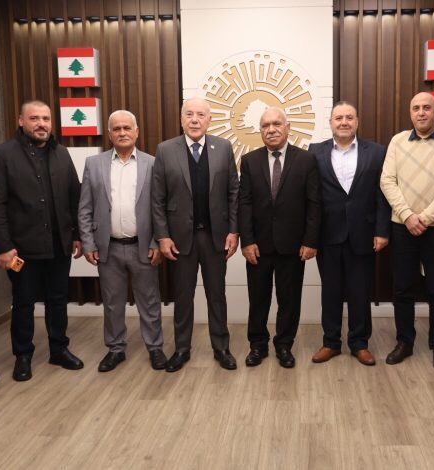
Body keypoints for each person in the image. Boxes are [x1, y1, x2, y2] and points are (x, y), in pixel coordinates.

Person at [0, 99, 84, 381]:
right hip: (21, 249)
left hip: (58, 245)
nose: (41, 124)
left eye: (46, 119)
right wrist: (3, 246)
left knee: (58, 300)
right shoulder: (2, 155)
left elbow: (74, 197)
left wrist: (76, 235)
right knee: (24, 303)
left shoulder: (62, 154)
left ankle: (58, 349)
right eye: (34, 118)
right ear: (21, 121)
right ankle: (23, 355)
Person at [152, 97, 239, 372]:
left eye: (201, 114)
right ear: (181, 119)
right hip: (179, 240)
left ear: (209, 120)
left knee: (217, 295)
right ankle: (181, 349)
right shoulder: (165, 150)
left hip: (215, 237)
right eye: (189, 114)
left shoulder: (223, 147)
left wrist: (233, 231)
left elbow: (233, 193)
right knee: (183, 297)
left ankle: (221, 347)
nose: (194, 119)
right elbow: (157, 198)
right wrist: (162, 236)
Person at [380, 92, 434, 372]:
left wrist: (424, 218)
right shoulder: (397, 141)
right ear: (410, 112)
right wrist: (407, 215)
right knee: (402, 288)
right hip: (402, 227)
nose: (421, 112)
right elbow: (387, 181)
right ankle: (404, 342)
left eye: (427, 107)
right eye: (416, 108)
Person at [78, 110, 165, 372]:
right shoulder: (94, 164)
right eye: (117, 129)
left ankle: (155, 348)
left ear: (136, 132)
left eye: (127, 128)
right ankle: (116, 349)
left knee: (149, 301)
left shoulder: (153, 163)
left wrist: (156, 242)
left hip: (143, 246)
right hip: (109, 247)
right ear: (109, 134)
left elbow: (160, 208)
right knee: (112, 302)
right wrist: (88, 243)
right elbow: (85, 208)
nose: (122, 133)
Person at [308, 102, 389, 366]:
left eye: (349, 117)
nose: (344, 122)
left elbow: (382, 194)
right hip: (328, 234)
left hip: (363, 233)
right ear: (330, 122)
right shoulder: (315, 152)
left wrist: (382, 230)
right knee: (330, 292)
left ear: (357, 121)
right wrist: (310, 236)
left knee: (360, 292)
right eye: (339, 118)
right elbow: (311, 197)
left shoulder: (376, 152)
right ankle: (330, 342)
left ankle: (359, 343)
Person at [239, 107, 320, 369]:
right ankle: (257, 345)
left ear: (288, 127)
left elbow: (314, 203)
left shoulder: (306, 160)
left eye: (276, 124)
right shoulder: (249, 161)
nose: (271, 129)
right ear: (260, 130)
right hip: (258, 246)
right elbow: (244, 203)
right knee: (258, 299)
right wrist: (246, 241)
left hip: (293, 246)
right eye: (265, 125)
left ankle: (284, 345)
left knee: (289, 300)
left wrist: (310, 241)